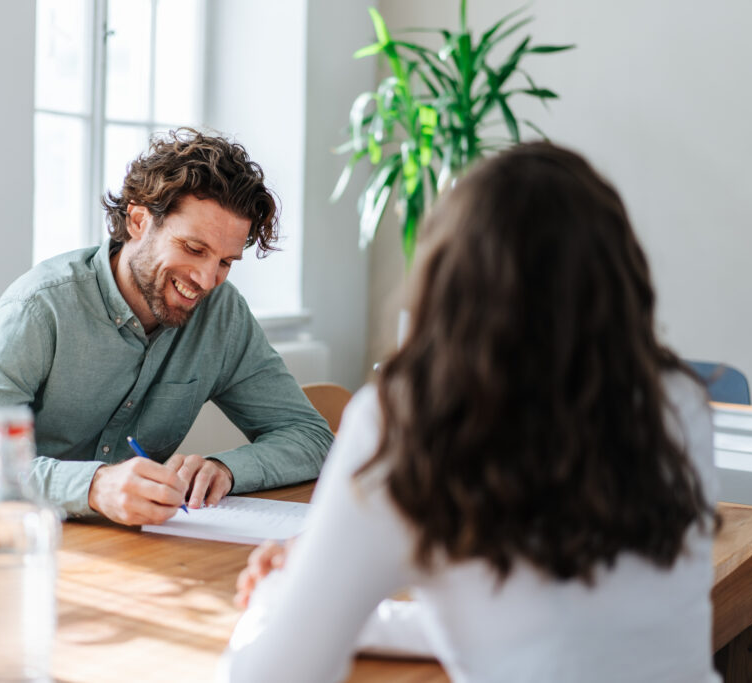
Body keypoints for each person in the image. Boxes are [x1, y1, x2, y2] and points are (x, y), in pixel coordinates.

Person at [219, 143, 720, 682]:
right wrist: (335, 591)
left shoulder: (412, 417)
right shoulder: (677, 405)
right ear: (620, 275)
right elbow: (533, 628)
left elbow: (271, 675)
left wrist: (275, 603)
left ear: (448, 278)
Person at [0, 128, 334, 525]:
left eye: (226, 262)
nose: (208, 279)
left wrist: (224, 469)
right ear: (139, 221)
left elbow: (310, 437)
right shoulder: (40, 307)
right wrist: (93, 486)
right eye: (194, 249)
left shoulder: (222, 315)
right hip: (13, 544)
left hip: (128, 549)